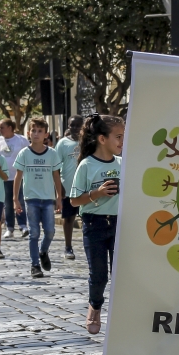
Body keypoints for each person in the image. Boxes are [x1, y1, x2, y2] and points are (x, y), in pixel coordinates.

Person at [69, 114, 123, 332]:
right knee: (99, 275)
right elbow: (74, 200)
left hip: (120, 224)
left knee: (120, 273)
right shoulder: (86, 165)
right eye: (118, 136)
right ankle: (95, 307)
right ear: (102, 139)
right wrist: (97, 193)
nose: (122, 141)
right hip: (94, 225)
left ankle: (120, 314)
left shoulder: (124, 163)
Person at [13, 118, 63, 279]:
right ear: (29, 133)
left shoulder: (52, 154)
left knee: (50, 231)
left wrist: (59, 197)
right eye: (33, 131)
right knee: (34, 232)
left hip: (48, 199)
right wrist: (15, 199)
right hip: (31, 199)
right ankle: (35, 265)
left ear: (46, 134)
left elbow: (56, 176)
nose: (36, 134)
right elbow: (18, 177)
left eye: (40, 131)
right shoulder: (24, 153)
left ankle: (43, 251)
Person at [56, 116, 84, 258]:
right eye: (72, 125)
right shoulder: (62, 143)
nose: (75, 128)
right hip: (68, 186)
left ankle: (89, 245)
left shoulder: (88, 141)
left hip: (85, 187)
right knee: (69, 218)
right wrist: (59, 187)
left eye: (78, 125)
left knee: (87, 218)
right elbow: (56, 166)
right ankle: (68, 247)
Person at [0, 118, 30, 239]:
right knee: (7, 203)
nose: (0, 130)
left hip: (20, 176)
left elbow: (28, 154)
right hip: (4, 177)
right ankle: (9, 228)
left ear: (10, 128)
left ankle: (23, 225)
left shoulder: (21, 140)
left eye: (2, 127)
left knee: (20, 201)